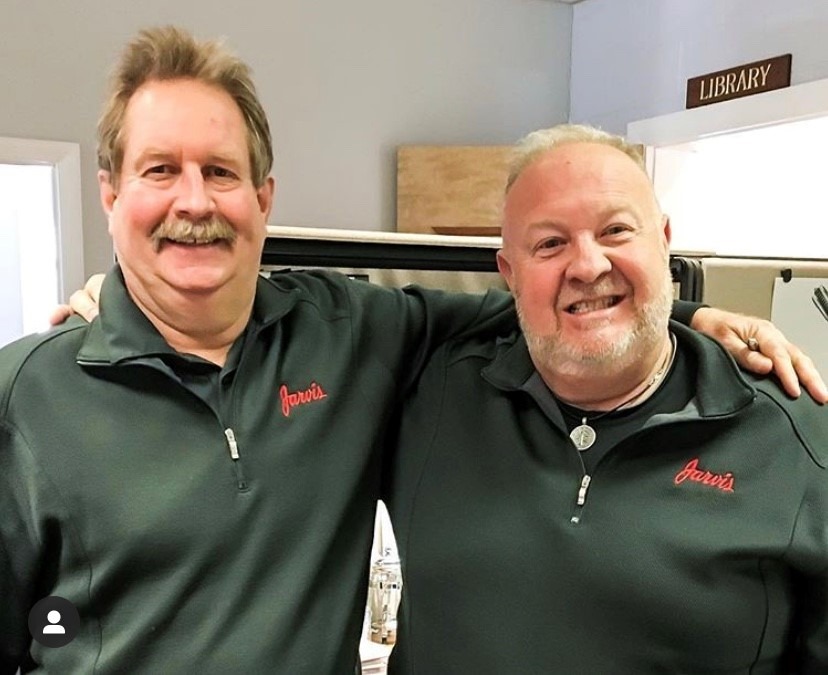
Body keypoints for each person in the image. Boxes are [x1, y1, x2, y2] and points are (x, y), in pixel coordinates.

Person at [7, 27, 823, 674]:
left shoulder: (350, 332)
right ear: (110, 194)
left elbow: (557, 311)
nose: (194, 201)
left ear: (262, 198)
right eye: (160, 170)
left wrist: (690, 313)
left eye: (220, 172)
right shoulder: (26, 401)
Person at [384, 124, 828, 673]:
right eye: (550, 244)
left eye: (616, 230)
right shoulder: (432, 388)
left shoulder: (795, 437)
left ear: (664, 241)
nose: (588, 265)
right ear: (509, 273)